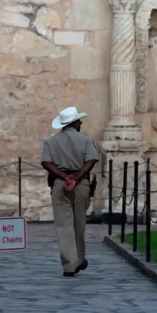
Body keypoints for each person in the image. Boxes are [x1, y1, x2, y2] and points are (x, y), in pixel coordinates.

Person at [41, 106, 99, 277]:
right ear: (75, 123)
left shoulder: (51, 141)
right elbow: (91, 159)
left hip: (60, 184)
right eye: (79, 120)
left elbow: (46, 162)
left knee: (63, 225)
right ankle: (79, 259)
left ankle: (69, 264)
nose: (81, 122)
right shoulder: (85, 140)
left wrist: (65, 177)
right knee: (79, 223)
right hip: (81, 185)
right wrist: (77, 177)